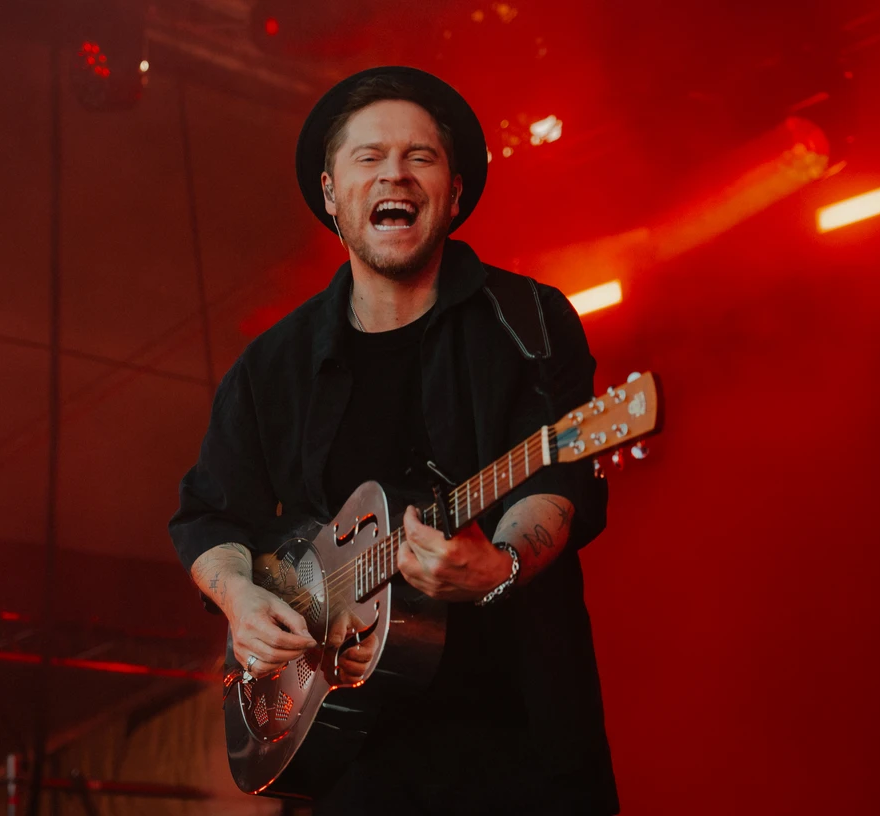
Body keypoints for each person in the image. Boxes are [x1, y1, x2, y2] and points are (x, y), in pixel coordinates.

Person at [170, 66, 619, 815]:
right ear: (331, 195)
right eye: (369, 157)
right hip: (349, 759)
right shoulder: (271, 367)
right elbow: (210, 515)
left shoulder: (529, 319)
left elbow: (557, 477)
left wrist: (500, 566)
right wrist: (243, 600)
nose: (396, 174)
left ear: (455, 195)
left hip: (524, 749)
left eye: (421, 157)